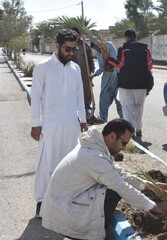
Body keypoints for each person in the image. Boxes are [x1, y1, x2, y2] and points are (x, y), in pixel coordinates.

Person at [41, 118, 167, 240]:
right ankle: (89, 235)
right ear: (112, 136)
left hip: (66, 203)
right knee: (113, 192)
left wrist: (149, 185)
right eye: (124, 143)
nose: (125, 148)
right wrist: (154, 207)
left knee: (111, 189)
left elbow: (120, 174)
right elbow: (120, 185)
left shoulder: (97, 147)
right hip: (64, 211)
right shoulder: (93, 156)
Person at [30, 29, 88, 218]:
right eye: (67, 49)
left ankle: (64, 202)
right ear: (57, 46)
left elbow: (80, 95)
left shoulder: (75, 69)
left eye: (74, 49)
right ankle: (42, 202)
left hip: (71, 125)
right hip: (50, 125)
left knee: (69, 165)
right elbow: (36, 97)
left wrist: (83, 120)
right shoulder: (43, 68)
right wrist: (36, 124)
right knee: (46, 164)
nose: (71, 53)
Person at [110, 29, 153, 137]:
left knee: (127, 108)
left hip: (126, 84)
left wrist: (108, 59)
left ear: (126, 37)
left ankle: (129, 132)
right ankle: (138, 129)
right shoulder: (145, 49)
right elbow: (150, 66)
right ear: (135, 37)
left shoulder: (123, 49)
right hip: (142, 84)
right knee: (139, 107)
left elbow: (119, 64)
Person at [72, 27, 104, 125]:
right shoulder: (69, 46)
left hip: (85, 75)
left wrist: (92, 72)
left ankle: (89, 115)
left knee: (86, 94)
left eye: (77, 34)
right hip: (72, 76)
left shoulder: (84, 46)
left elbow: (90, 60)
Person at [89, 39, 123, 122]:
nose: (97, 49)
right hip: (106, 76)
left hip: (116, 75)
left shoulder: (109, 45)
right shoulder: (98, 53)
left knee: (119, 99)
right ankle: (103, 119)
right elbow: (101, 68)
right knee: (104, 97)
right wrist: (95, 74)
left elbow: (114, 61)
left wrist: (85, 33)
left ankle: (124, 119)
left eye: (97, 47)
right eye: (96, 48)